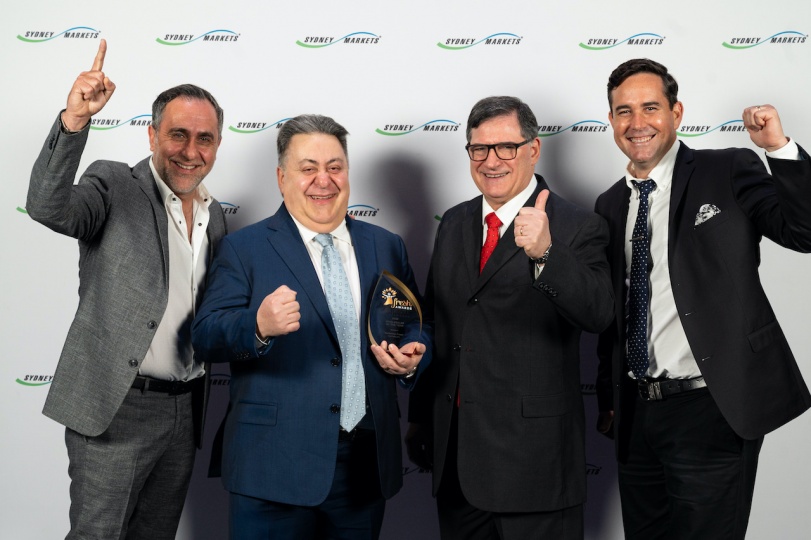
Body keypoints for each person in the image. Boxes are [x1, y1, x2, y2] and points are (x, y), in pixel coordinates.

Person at [594, 58, 811, 539]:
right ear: (611, 120)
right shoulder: (609, 204)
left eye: (650, 107)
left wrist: (778, 149)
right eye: (624, 111)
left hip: (713, 405)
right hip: (638, 415)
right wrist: (610, 399)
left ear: (676, 113)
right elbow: (614, 312)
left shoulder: (726, 168)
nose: (637, 122)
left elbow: (805, 232)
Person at [191, 114, 431, 539]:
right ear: (282, 178)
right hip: (272, 467)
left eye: (335, 167)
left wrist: (413, 357)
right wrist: (258, 325)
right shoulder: (244, 247)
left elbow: (417, 326)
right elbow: (205, 335)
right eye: (308, 168)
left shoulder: (386, 245)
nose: (324, 180)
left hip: (364, 468)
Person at [26, 39, 228, 539]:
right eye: (178, 134)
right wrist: (75, 120)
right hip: (116, 408)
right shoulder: (114, 184)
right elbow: (49, 207)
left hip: (185, 410)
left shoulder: (217, 216)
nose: (191, 151)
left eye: (204, 139)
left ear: (217, 145)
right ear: (152, 134)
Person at [407, 96, 614, 540]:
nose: (491, 161)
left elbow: (599, 313)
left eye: (506, 147)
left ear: (533, 149)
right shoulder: (455, 222)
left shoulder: (578, 224)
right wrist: (420, 415)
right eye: (479, 148)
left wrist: (546, 254)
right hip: (456, 461)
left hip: (535, 467)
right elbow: (438, 322)